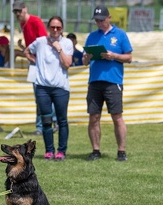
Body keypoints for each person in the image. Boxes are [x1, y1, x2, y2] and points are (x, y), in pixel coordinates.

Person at [83, 5, 133, 161]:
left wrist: (113, 55)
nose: (99, 23)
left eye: (102, 20)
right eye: (96, 20)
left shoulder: (120, 35)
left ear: (109, 18)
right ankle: (96, 150)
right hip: (95, 82)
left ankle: (121, 151)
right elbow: (84, 61)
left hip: (113, 82)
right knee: (94, 117)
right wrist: (88, 57)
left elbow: (129, 58)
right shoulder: (92, 36)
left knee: (117, 117)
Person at [24, 16, 73, 160]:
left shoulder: (67, 42)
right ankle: (49, 150)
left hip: (60, 87)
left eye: (58, 27)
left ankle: (61, 151)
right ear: (48, 28)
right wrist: (35, 62)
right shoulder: (40, 42)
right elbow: (27, 51)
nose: (56, 30)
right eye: (53, 27)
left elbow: (67, 64)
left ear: (62, 28)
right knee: (46, 120)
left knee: (62, 120)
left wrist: (59, 49)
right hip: (42, 87)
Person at [12, 1, 57, 135]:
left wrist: (39, 60)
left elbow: (44, 42)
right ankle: (41, 126)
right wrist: (25, 51)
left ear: (25, 9)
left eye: (19, 11)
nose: (17, 14)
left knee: (45, 93)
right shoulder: (22, 23)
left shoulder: (36, 21)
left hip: (41, 63)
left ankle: (51, 122)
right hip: (33, 62)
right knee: (38, 95)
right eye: (15, 12)